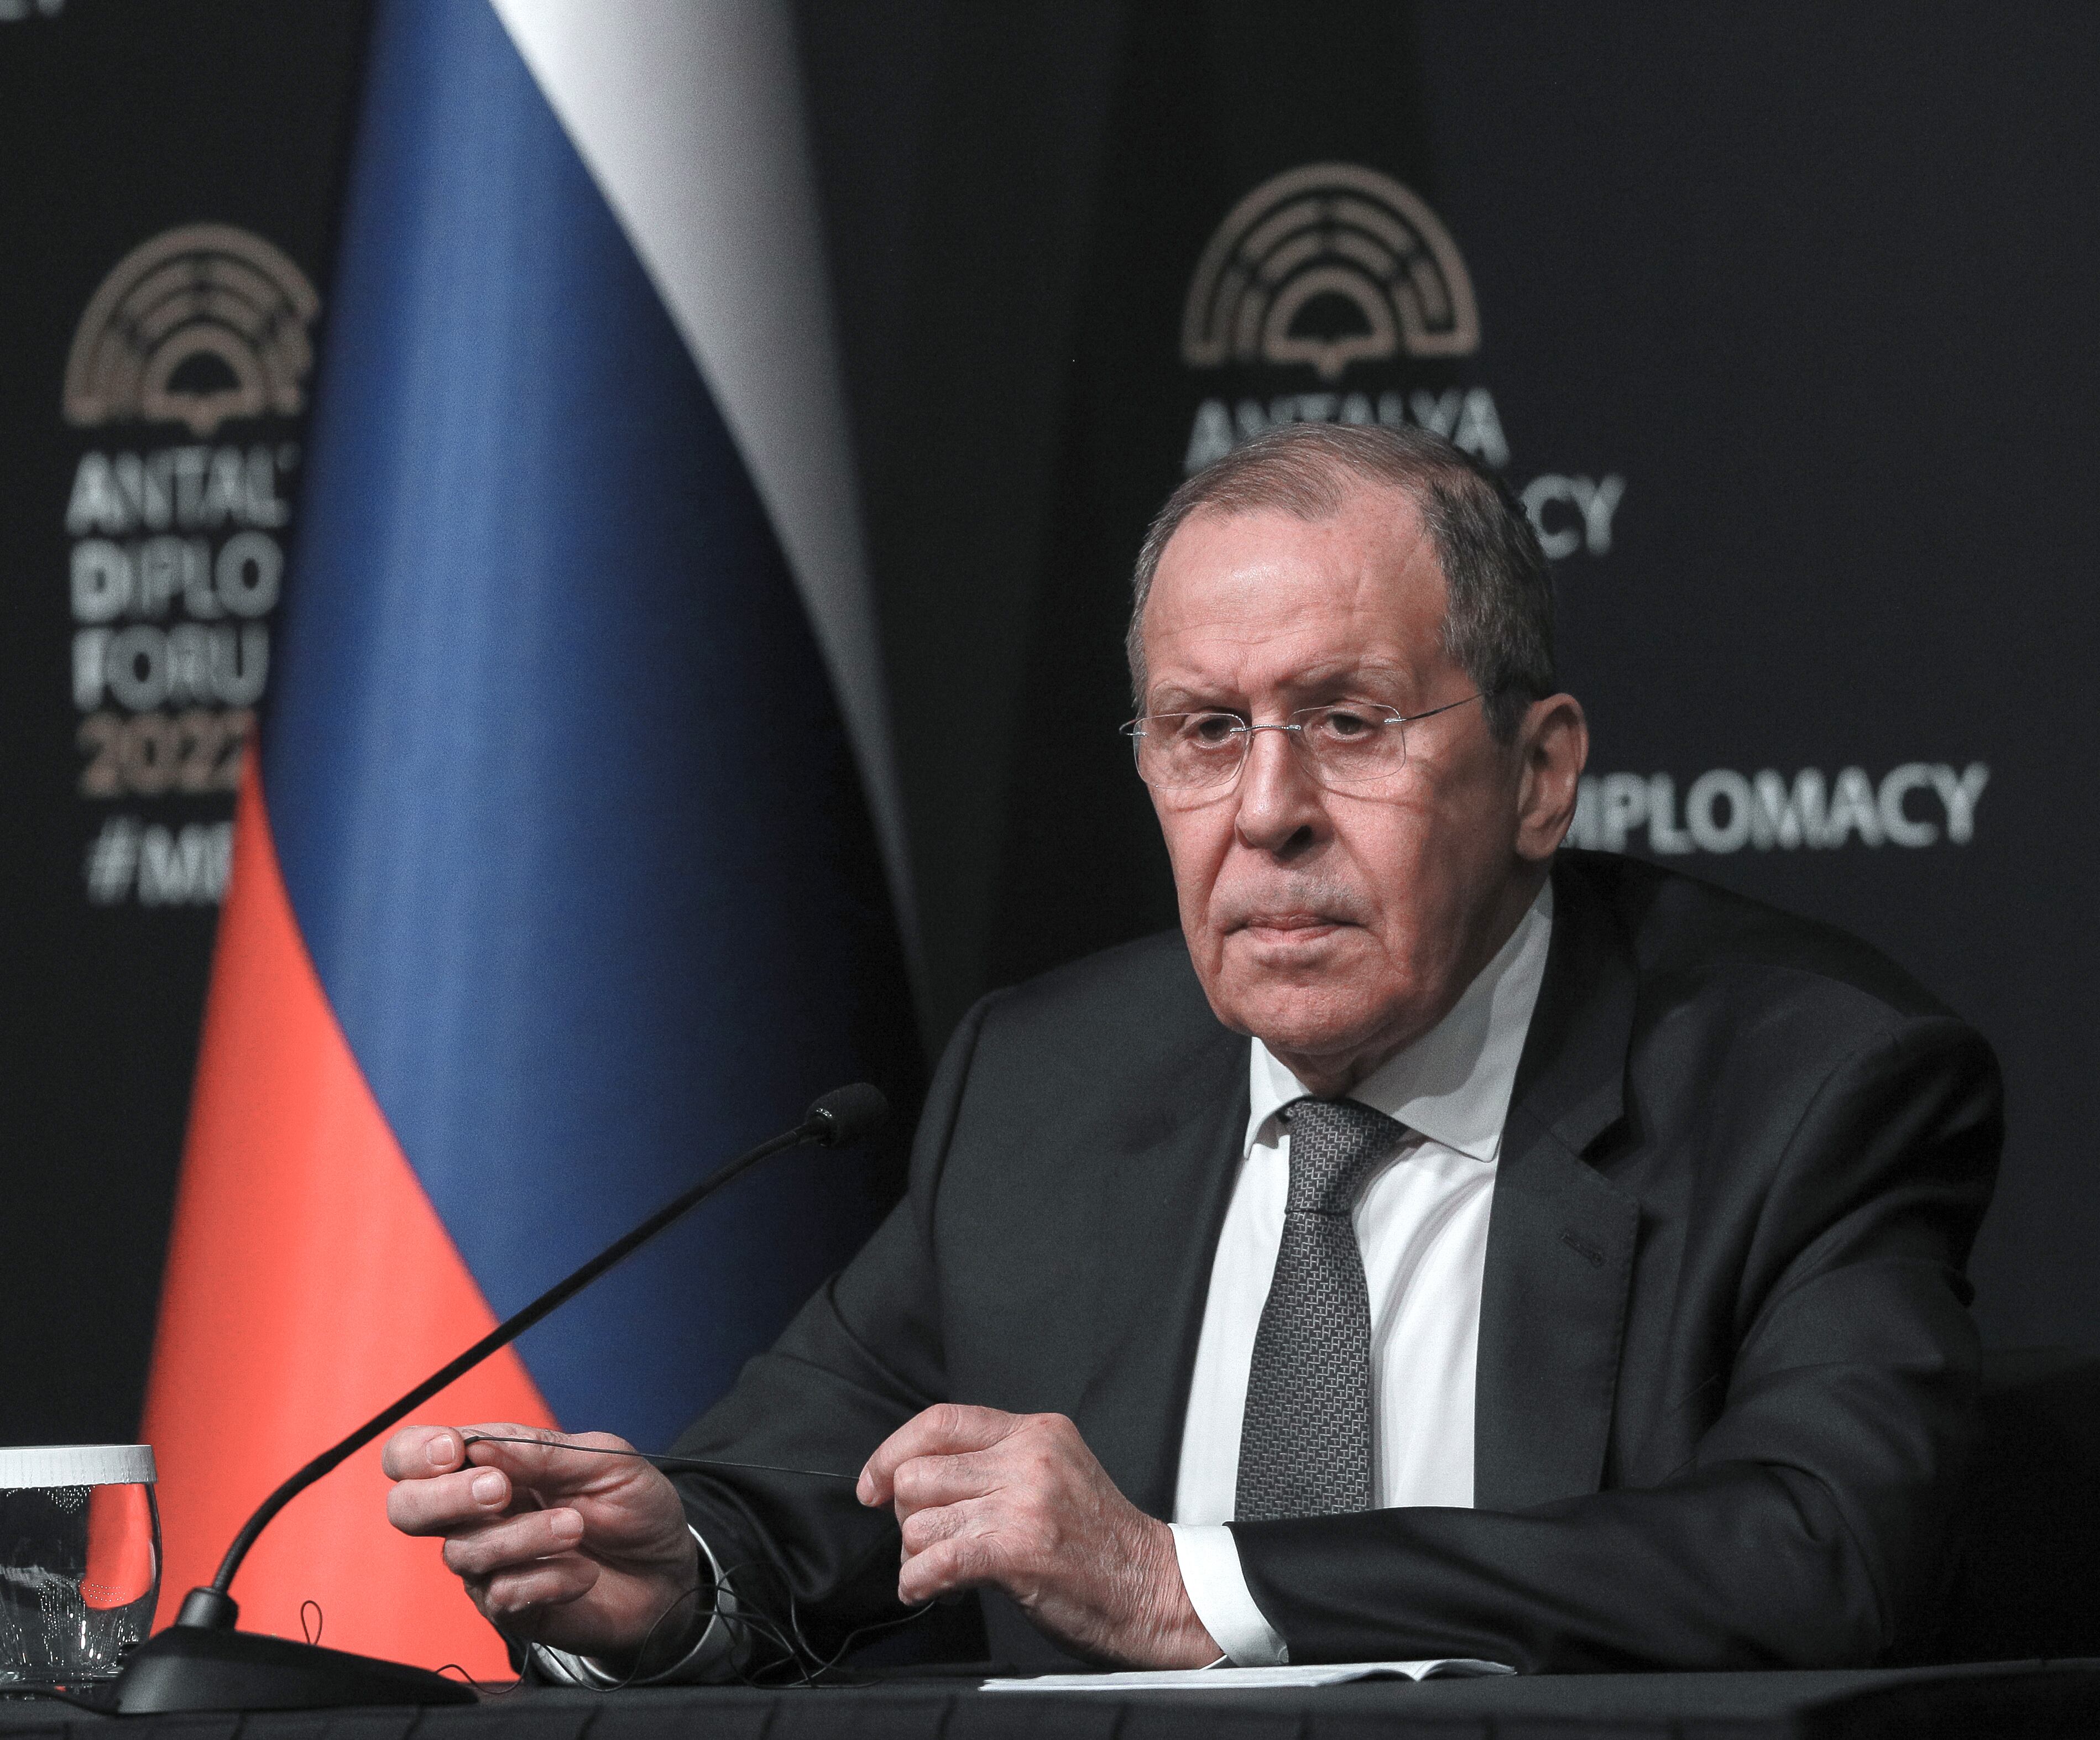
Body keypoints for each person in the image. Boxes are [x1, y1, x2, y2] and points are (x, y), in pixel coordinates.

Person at [384, 423, 2002, 1677]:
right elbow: (818, 1480)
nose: (1270, 810)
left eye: (1350, 720)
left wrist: (1186, 1582)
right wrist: (678, 1582)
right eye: (1206, 732)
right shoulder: (1047, 1084)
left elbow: (1820, 1557)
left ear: (1539, 773)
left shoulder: (1802, 1087)